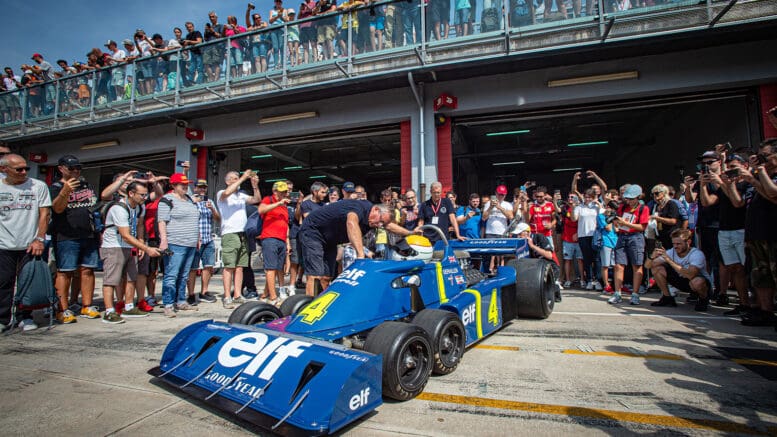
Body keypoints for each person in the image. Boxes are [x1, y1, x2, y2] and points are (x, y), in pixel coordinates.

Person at [299, 200, 411, 293]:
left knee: (327, 277)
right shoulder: (359, 208)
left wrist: (410, 233)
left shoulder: (375, 219)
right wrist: (360, 254)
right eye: (380, 221)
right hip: (313, 231)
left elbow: (390, 226)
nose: (379, 225)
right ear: (376, 209)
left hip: (330, 239)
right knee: (316, 275)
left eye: (382, 224)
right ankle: (308, 308)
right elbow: (351, 223)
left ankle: (322, 306)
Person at [0, 154, 51, 332]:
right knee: (3, 283)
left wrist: (39, 239)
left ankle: (26, 317)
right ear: (3, 169)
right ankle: (3, 319)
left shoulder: (38, 186)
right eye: (19, 169)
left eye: (26, 168)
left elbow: (44, 214)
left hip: (30, 244)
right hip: (4, 244)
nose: (24, 172)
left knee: (28, 281)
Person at [99, 182, 161, 324]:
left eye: (146, 194)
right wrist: (147, 248)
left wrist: (140, 242)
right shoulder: (118, 208)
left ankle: (129, 306)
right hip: (114, 246)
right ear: (131, 194)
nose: (145, 197)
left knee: (132, 277)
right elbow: (125, 235)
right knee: (111, 280)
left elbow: (139, 225)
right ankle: (109, 311)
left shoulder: (139, 207)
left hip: (130, 246)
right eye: (142, 194)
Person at [49, 155, 101, 323]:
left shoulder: (85, 185)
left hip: (88, 234)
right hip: (66, 236)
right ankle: (62, 309)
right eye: (72, 168)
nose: (76, 171)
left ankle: (86, 305)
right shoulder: (56, 187)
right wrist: (65, 191)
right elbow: (57, 209)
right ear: (61, 169)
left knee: (88, 270)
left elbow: (93, 206)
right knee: (65, 272)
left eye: (78, 168)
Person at [158, 173, 201, 317]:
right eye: (182, 184)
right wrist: (164, 240)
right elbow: (162, 221)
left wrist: (198, 237)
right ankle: (168, 304)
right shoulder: (167, 200)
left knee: (184, 275)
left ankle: (181, 301)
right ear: (173, 186)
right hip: (174, 242)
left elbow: (195, 220)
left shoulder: (189, 199)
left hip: (190, 243)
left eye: (186, 184)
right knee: (172, 274)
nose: (185, 186)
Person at [216, 170, 261, 309]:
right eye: (234, 179)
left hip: (243, 233)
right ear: (228, 181)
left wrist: (255, 186)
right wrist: (242, 178)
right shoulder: (222, 193)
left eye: (237, 178)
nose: (237, 180)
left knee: (240, 267)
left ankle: (237, 294)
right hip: (230, 233)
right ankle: (227, 296)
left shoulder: (240, 195)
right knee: (229, 266)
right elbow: (226, 193)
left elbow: (256, 200)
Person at [646, 229, 712, 311]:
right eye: (673, 244)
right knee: (657, 268)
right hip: (682, 281)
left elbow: (691, 274)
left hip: (698, 283)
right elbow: (648, 266)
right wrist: (652, 256)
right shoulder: (672, 252)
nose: (675, 246)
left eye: (678, 244)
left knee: (697, 282)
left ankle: (703, 299)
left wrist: (669, 260)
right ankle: (667, 298)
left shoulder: (697, 254)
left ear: (688, 242)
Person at [609, 184, 649, 306]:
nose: (629, 201)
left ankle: (635, 294)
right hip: (622, 236)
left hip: (636, 237)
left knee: (637, 265)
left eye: (632, 199)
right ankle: (617, 293)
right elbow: (617, 223)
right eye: (628, 198)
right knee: (618, 265)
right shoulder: (622, 207)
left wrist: (626, 223)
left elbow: (642, 226)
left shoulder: (644, 208)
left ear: (638, 197)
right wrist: (616, 222)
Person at [187, 179, 220, 305]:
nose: (202, 190)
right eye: (199, 187)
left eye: (204, 188)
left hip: (208, 238)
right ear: (195, 188)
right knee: (193, 268)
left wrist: (212, 209)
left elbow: (218, 219)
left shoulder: (209, 201)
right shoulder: (190, 201)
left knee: (208, 266)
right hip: (195, 239)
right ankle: (190, 294)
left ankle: (204, 292)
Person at [258, 181, 291, 304]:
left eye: (285, 192)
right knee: (271, 268)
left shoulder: (284, 206)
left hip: (281, 239)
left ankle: (265, 294)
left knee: (278, 267)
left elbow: (286, 224)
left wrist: (287, 242)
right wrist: (278, 203)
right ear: (275, 191)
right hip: (270, 237)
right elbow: (261, 210)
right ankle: (273, 297)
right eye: (281, 191)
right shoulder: (268, 200)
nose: (284, 194)